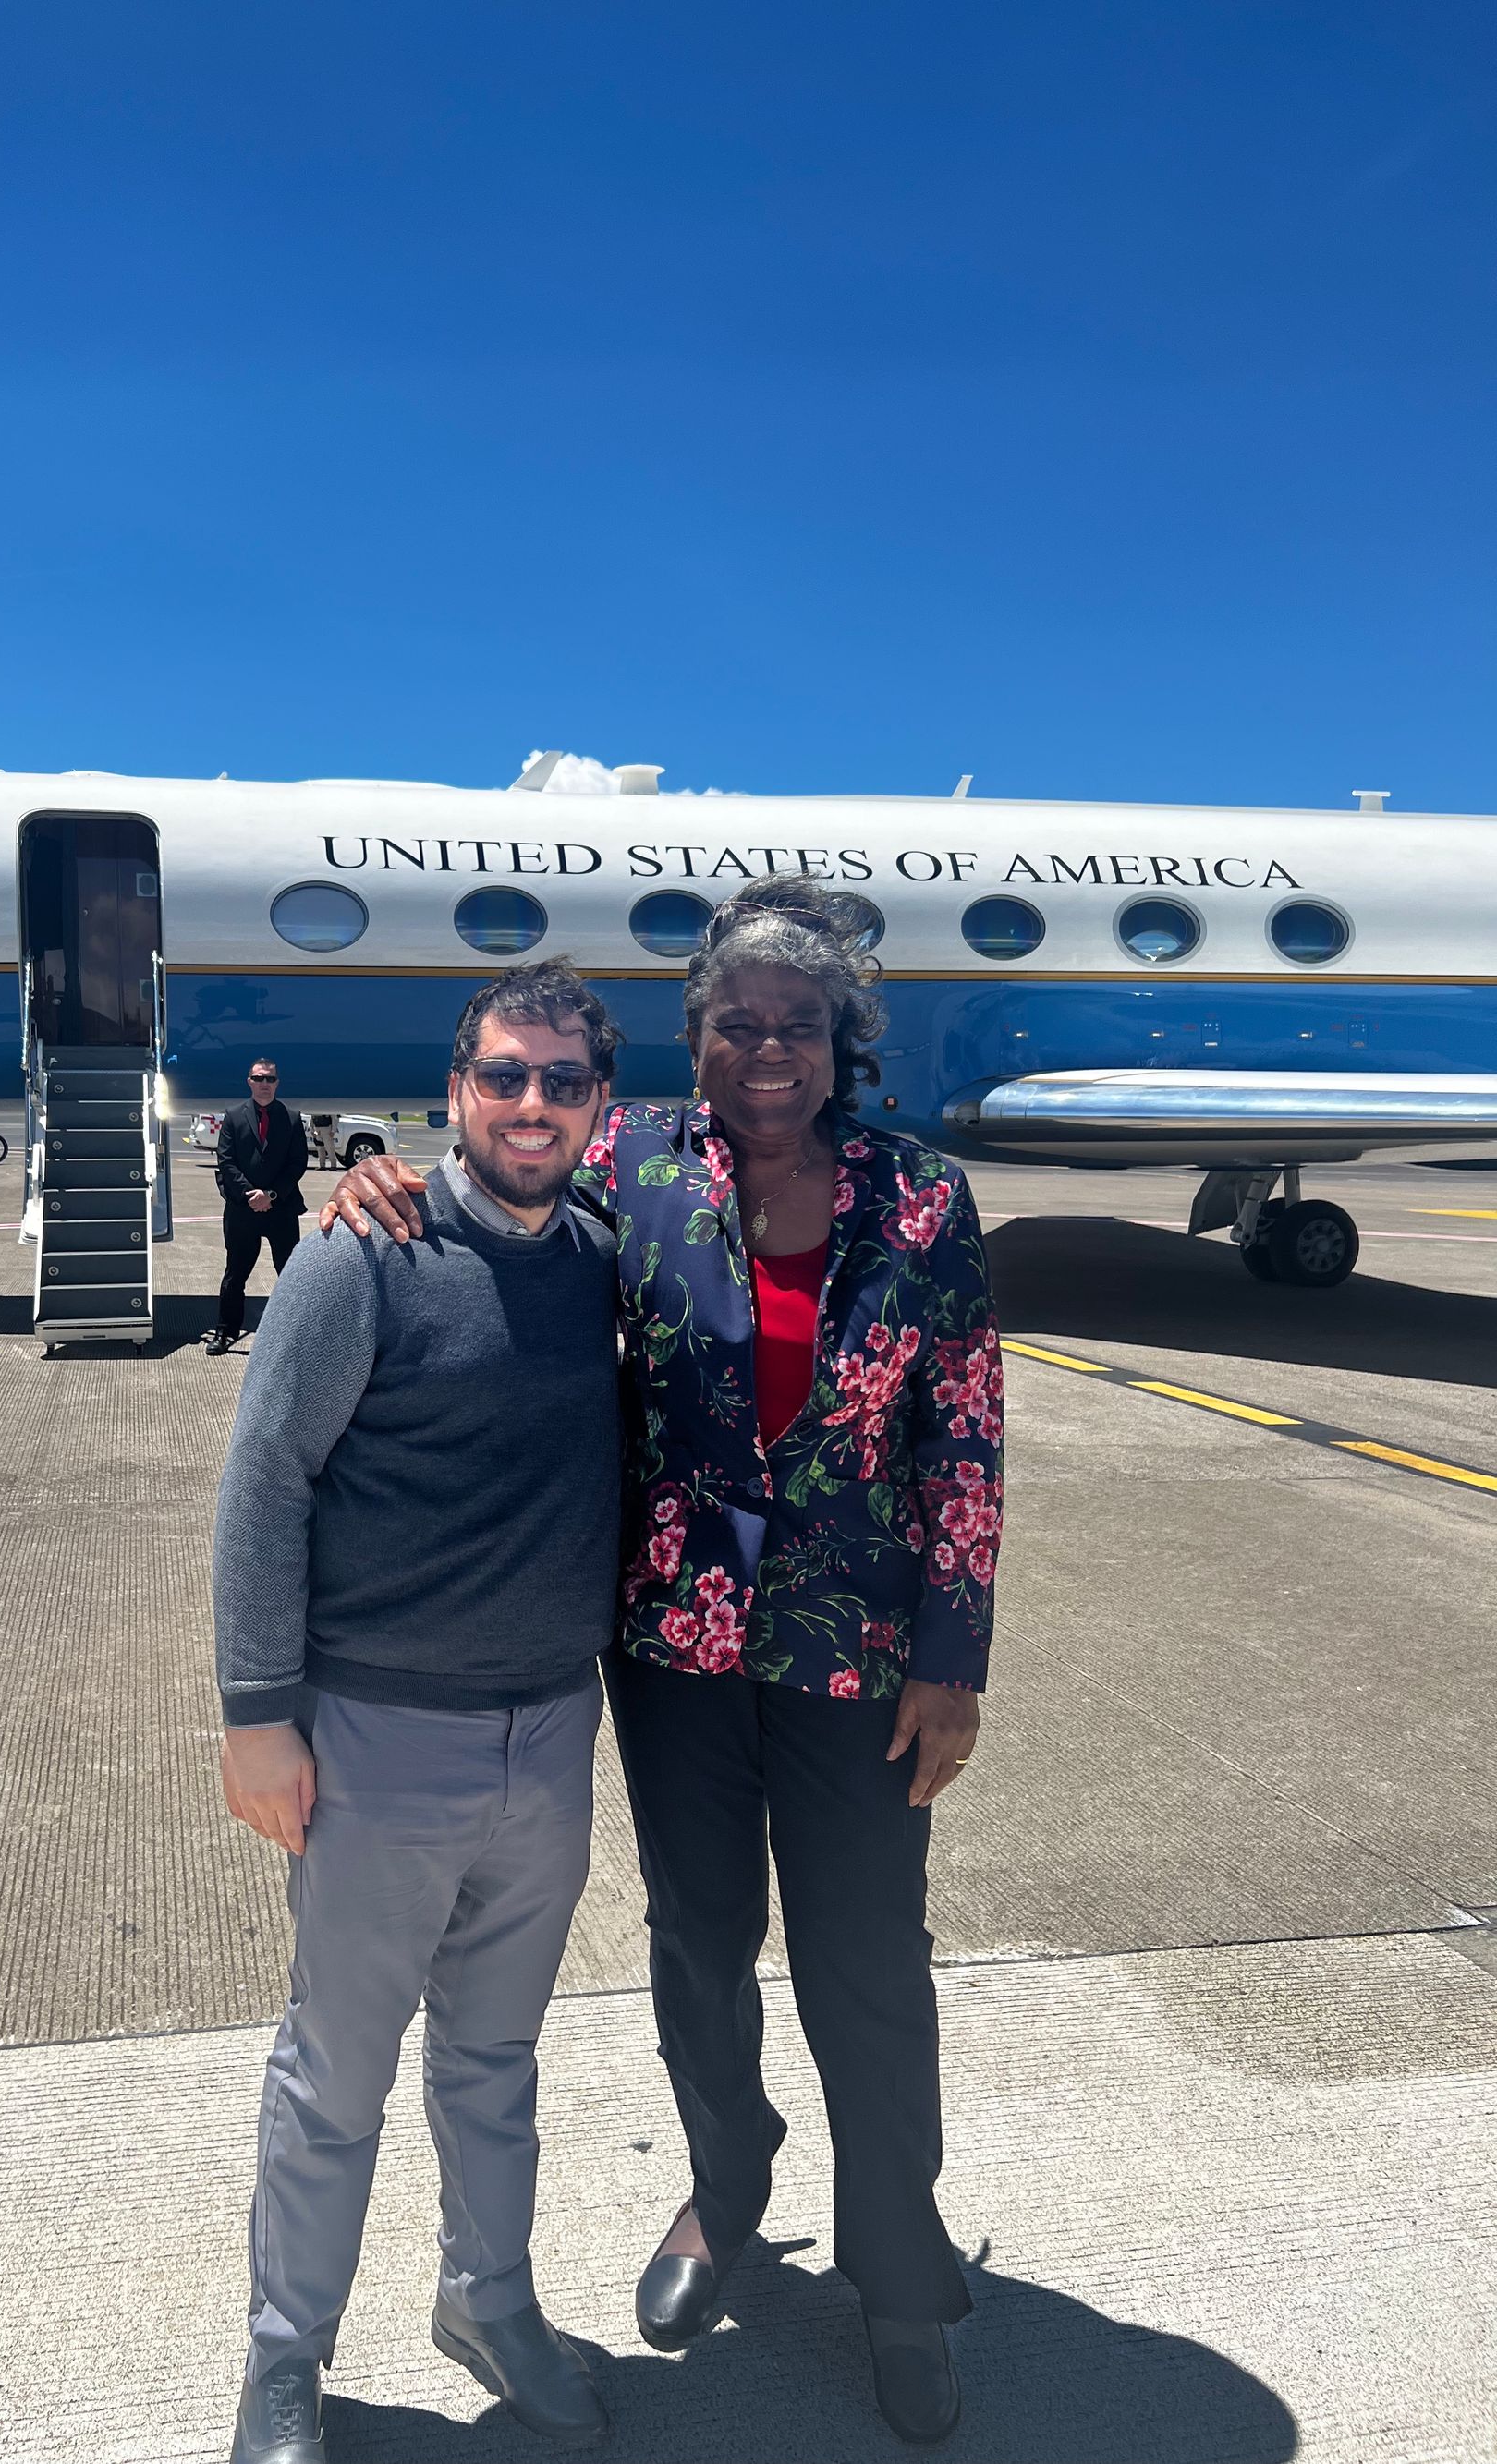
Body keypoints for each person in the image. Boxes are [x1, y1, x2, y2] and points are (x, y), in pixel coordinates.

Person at [325, 878, 1002, 2446]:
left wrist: (953, 1651)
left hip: (857, 1649)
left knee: (866, 1962)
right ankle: (725, 2189)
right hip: (678, 1639)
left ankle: (901, 2274)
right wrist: (378, 1181)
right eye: (736, 1027)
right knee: (699, 1936)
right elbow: (500, 1198)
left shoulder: (921, 1199)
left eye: (799, 1028)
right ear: (693, 1048)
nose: (768, 1050)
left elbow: (962, 1434)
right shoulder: (634, 1166)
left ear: (844, 1045)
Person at [213, 960, 624, 2464]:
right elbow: (265, 1476)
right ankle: (284, 2360)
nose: (530, 1103)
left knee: (495, 2060)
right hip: (381, 1733)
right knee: (339, 2070)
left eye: (561, 1081)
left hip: (548, 1738)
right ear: (455, 1090)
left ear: (597, 1104)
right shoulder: (361, 1255)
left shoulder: (600, 1252)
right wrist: (260, 1710)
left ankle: (488, 2296)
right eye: (504, 1075)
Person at [206, 1061, 310, 1357]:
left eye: (270, 1078)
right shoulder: (234, 1117)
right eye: (258, 1078)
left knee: (290, 1273)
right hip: (243, 1209)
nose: (264, 1083)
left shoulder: (291, 1118)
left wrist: (271, 1194)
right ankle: (226, 1331)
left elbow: (297, 1163)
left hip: (281, 1209)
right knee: (235, 1274)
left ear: (277, 1083)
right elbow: (226, 1161)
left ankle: (297, 1333)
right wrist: (251, 1194)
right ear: (249, 1082)